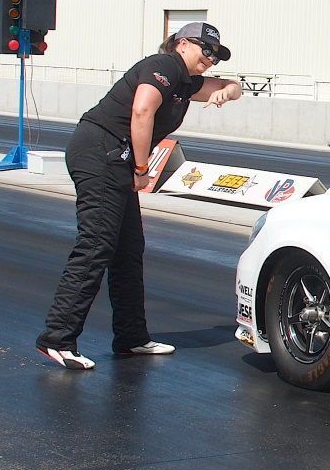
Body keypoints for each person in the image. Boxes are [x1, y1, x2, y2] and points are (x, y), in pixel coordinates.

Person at [35, 22, 245, 369]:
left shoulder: (186, 81)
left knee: (128, 249)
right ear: (181, 44)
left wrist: (231, 89)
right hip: (99, 150)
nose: (210, 59)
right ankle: (57, 338)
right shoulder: (162, 66)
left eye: (215, 56)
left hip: (116, 158)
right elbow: (142, 111)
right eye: (204, 50)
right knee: (97, 244)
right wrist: (142, 167)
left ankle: (131, 338)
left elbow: (228, 87)